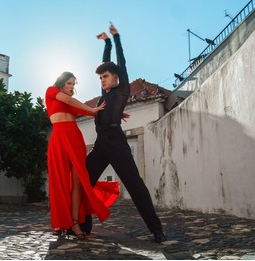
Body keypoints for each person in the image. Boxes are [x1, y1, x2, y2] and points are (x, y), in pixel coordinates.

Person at [85, 23, 166, 243]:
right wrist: (106, 43)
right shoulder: (105, 92)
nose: (102, 80)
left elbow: (121, 63)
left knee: (135, 185)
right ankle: (84, 226)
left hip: (117, 143)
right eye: (100, 77)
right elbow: (106, 64)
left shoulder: (122, 90)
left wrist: (116, 38)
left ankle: (156, 229)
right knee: (84, 180)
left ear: (116, 77)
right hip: (101, 144)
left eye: (106, 76)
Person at [45, 71, 120, 239]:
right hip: (58, 139)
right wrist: (91, 108)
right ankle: (60, 222)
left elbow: (96, 112)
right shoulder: (51, 91)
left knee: (78, 181)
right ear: (61, 83)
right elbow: (71, 101)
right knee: (60, 181)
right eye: (69, 83)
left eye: (74, 85)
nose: (72, 87)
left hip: (75, 139)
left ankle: (74, 222)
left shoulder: (74, 105)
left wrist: (117, 113)